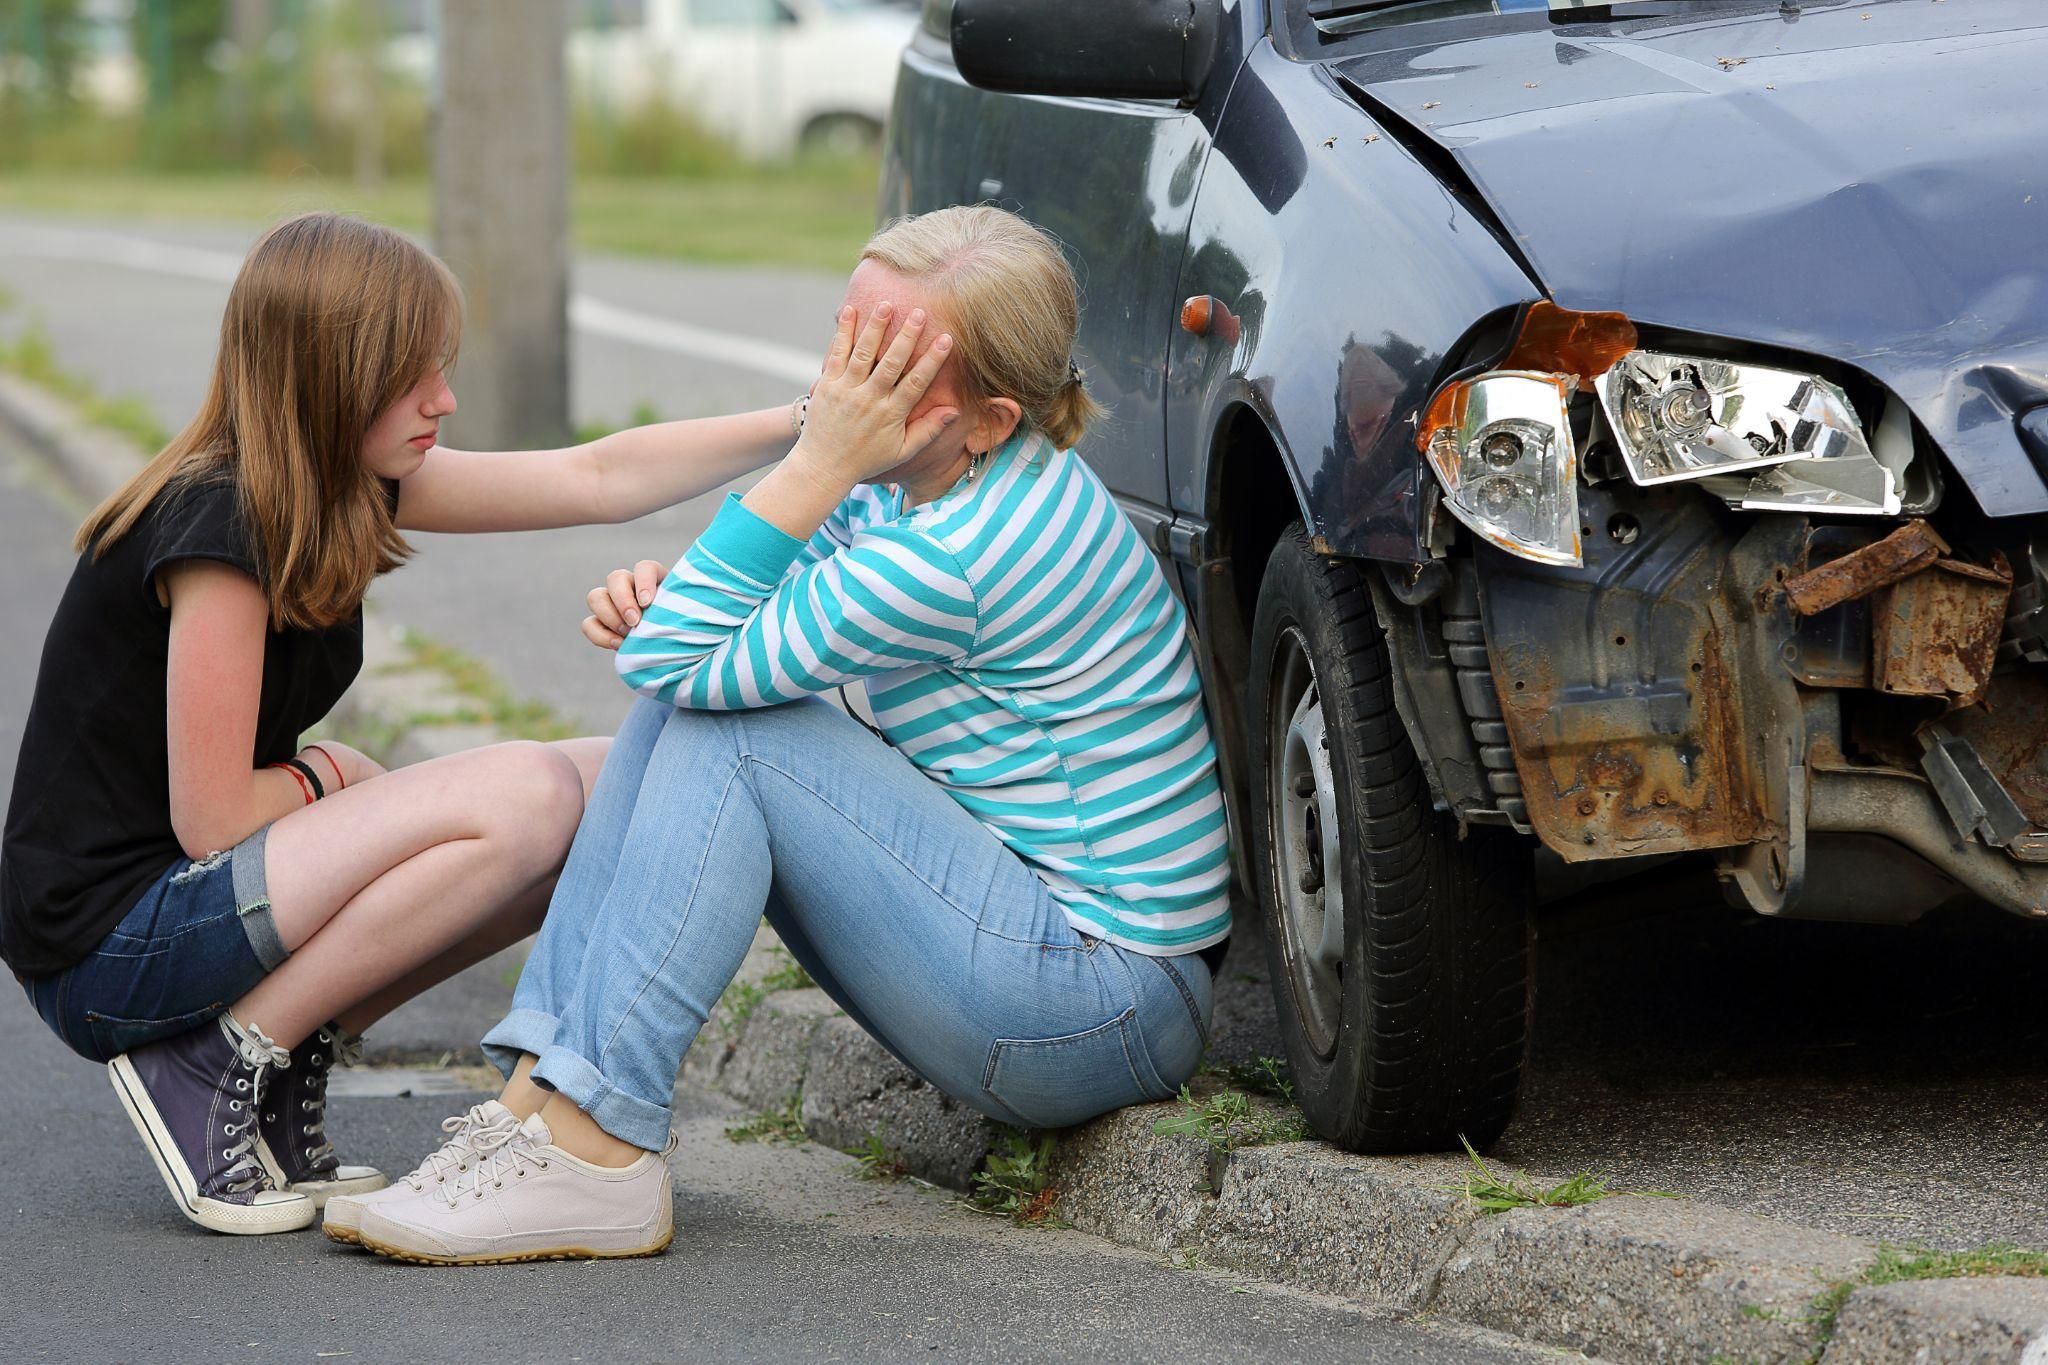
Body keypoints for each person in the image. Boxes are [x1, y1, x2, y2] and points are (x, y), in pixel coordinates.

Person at [336, 205, 1235, 1266]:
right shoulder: (929, 484)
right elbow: (742, 627)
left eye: (889, 369)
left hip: (1098, 1006)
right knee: (700, 706)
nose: (847, 388)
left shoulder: (952, 554)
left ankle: (595, 1146)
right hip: (1044, 957)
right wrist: (684, 599)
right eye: (845, 343)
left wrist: (792, 486)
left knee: (735, 735)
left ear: (988, 418)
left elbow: (690, 661)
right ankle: (540, 1106)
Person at [0, 212, 841, 1236]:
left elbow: (594, 477)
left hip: (197, 906)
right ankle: (213, 1058)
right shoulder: (217, 527)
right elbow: (215, 817)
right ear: (330, 376)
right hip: (110, 947)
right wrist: (332, 775)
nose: (443, 399)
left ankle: (290, 1043)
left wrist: (813, 423)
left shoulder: (335, 483)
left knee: (617, 777)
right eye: (414, 376)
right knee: (527, 799)